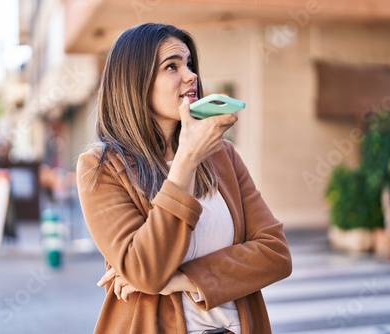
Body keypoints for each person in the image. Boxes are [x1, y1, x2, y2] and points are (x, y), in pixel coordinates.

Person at [77, 23, 292, 334]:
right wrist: (186, 161)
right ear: (134, 82)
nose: (190, 76)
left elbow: (276, 254)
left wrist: (185, 279)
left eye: (189, 64)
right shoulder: (103, 167)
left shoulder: (222, 155)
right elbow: (146, 270)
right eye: (171, 66)